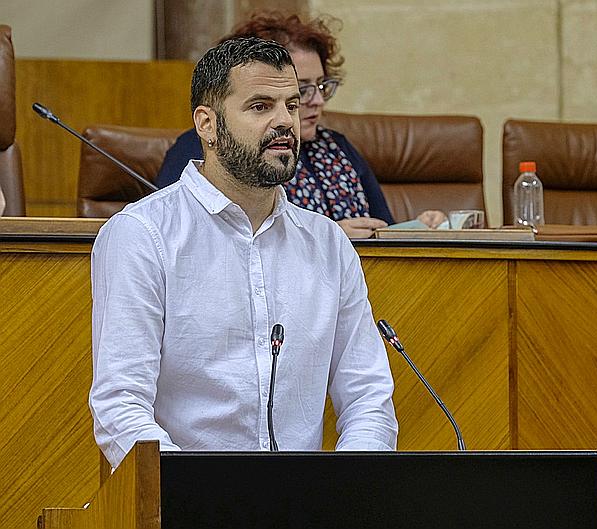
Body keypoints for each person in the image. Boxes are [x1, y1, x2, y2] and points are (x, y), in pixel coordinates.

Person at [89, 37, 398, 469]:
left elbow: (368, 396)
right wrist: (198, 499)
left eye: (291, 105)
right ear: (207, 125)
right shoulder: (142, 236)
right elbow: (120, 405)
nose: (284, 121)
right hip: (186, 505)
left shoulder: (328, 244)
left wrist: (343, 491)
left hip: (305, 505)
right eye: (260, 106)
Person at [156, 12, 445, 238]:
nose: (317, 100)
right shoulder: (204, 146)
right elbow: (184, 228)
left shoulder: (337, 146)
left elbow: (384, 228)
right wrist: (327, 237)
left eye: (321, 86)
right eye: (263, 104)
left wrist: (415, 228)